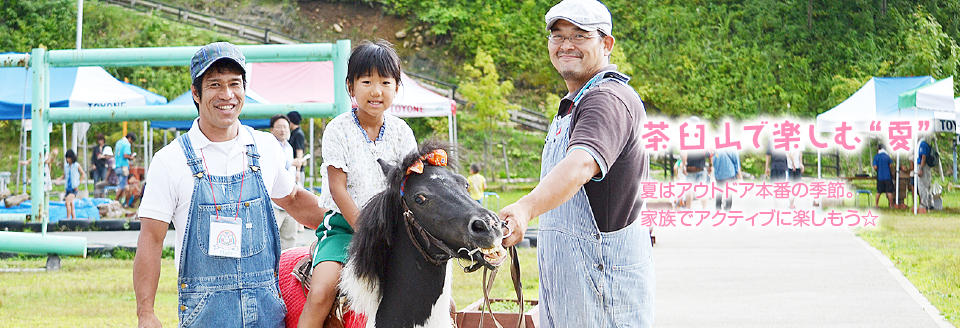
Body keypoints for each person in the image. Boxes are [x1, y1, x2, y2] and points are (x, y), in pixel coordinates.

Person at [133, 42, 326, 328]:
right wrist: (145, 314)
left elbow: (294, 199)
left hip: (268, 314)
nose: (227, 95)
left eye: (235, 84)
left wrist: (352, 224)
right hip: (204, 316)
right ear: (196, 93)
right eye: (215, 85)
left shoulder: (264, 146)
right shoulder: (170, 160)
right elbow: (151, 239)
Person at [499, 1, 654, 326]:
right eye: (558, 36)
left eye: (580, 35)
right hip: (571, 289)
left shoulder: (606, 100)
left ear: (606, 43)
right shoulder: (575, 103)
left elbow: (581, 164)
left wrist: (526, 207)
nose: (566, 45)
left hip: (602, 294)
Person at [300, 39, 417, 328]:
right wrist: (367, 230)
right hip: (343, 226)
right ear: (351, 87)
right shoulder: (338, 129)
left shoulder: (402, 132)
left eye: (385, 82)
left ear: (397, 87)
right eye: (366, 81)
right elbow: (338, 188)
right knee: (322, 291)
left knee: (433, 293)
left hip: (393, 228)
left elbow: (410, 185)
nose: (376, 91)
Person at [269, 113, 300, 250]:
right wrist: (293, 162)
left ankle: (287, 269)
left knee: (289, 239)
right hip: (274, 202)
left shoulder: (289, 147)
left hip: (291, 202)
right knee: (272, 239)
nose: (283, 130)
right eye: (279, 127)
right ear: (272, 129)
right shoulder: (269, 146)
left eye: (286, 127)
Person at [59, 149, 85, 220]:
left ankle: (68, 218)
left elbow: (83, 174)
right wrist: (59, 179)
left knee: (67, 202)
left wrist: (79, 183)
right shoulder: (66, 166)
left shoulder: (76, 165)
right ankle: (74, 218)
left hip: (74, 188)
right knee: (71, 204)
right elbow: (64, 175)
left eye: (69, 158)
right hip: (68, 187)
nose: (68, 160)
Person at [287, 111, 307, 185]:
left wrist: (298, 170)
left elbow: (299, 151)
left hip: (296, 169)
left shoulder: (298, 134)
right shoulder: (293, 133)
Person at [873, 143, 894, 208]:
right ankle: (891, 205)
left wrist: (878, 170)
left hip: (880, 176)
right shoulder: (887, 156)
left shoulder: (876, 156)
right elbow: (891, 166)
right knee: (889, 192)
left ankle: (876, 205)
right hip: (888, 176)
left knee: (878, 192)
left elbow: (875, 167)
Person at [916, 134, 934, 211]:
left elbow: (924, 156)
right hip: (926, 166)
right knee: (927, 185)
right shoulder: (926, 143)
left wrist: (920, 168)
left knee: (922, 185)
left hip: (923, 165)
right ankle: (930, 204)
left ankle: (924, 204)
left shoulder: (922, 144)